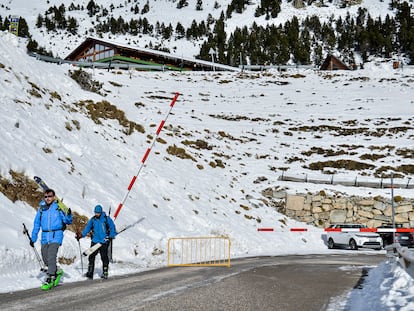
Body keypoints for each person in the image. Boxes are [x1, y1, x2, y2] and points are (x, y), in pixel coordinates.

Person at [31, 189, 73, 288]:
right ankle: (56, 270)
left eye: (49, 196)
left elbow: (67, 221)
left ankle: (50, 277)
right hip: (45, 236)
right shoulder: (41, 209)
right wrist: (34, 237)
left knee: (51, 254)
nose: (47, 198)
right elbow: (37, 223)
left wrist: (69, 215)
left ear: (53, 197)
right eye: (45, 196)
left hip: (56, 234)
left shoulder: (58, 208)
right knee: (45, 257)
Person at [76, 204, 116, 279]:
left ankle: (105, 271)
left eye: (98, 213)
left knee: (104, 256)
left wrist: (111, 236)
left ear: (101, 212)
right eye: (95, 212)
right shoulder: (93, 220)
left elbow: (112, 227)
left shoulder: (106, 219)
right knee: (91, 256)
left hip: (104, 241)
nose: (96, 214)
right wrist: (81, 235)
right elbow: (87, 228)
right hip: (95, 240)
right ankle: (90, 273)